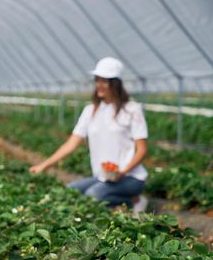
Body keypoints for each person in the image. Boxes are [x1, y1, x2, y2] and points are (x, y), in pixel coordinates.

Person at [29, 57, 148, 212]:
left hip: (130, 177)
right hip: (103, 177)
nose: (99, 84)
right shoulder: (90, 111)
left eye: (104, 81)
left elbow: (142, 149)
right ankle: (125, 199)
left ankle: (134, 200)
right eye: (97, 80)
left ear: (115, 83)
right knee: (70, 191)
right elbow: (71, 143)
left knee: (92, 195)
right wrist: (44, 165)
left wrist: (123, 171)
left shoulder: (132, 110)